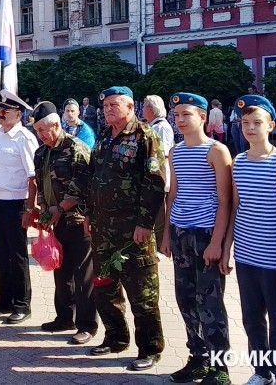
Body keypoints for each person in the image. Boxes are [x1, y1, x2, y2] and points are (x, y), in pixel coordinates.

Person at [87, 86, 165, 372]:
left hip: (134, 231)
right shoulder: (105, 136)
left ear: (131, 107)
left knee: (142, 294)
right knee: (105, 288)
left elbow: (155, 182)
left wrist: (145, 224)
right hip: (103, 229)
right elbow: (94, 178)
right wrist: (89, 213)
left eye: (114, 104)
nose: (108, 109)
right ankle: (115, 338)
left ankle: (150, 349)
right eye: (105, 105)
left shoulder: (145, 137)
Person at [221, 95, 276, 385]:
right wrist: (228, 248)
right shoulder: (238, 161)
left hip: (275, 256)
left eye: (257, 123)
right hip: (246, 256)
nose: (250, 128)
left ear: (270, 126)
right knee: (252, 318)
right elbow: (237, 208)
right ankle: (261, 371)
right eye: (245, 123)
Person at [160, 93, 233, 385]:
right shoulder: (175, 151)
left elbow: (225, 200)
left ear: (202, 117)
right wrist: (166, 234)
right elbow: (173, 195)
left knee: (210, 302)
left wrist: (217, 242)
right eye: (176, 115)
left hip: (205, 236)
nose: (179, 120)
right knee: (186, 299)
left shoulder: (216, 151)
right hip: (180, 233)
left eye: (186, 114)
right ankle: (197, 358)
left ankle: (220, 368)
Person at [31, 101, 97, 344]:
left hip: (78, 221)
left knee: (84, 276)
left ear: (56, 125)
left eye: (42, 130)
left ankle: (87, 325)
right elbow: (40, 184)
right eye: (37, 131)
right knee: (61, 272)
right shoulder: (41, 153)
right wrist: (44, 211)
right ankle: (64, 317)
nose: (40, 135)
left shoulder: (76, 148)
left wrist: (58, 209)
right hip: (56, 221)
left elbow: (81, 186)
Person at [0, 91, 39, 324]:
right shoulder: (0, 137)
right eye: (0, 110)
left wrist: (30, 208)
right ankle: (5, 300)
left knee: (16, 256)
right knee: (2, 253)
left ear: (18, 114)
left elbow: (32, 177)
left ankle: (22, 304)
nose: (1, 113)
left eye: (6, 111)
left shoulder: (24, 138)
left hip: (17, 203)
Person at [142, 95, 174, 248]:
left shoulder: (161, 127)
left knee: (160, 214)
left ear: (150, 109)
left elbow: (164, 153)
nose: (142, 109)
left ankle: (162, 246)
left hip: (160, 178)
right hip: (154, 178)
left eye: (144, 106)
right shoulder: (153, 126)